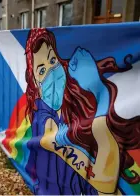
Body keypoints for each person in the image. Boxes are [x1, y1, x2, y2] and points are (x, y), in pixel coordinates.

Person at [24, 28, 140, 195]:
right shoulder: (45, 122)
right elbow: (104, 182)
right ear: (35, 83)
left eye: (52, 60)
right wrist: (101, 95)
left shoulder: (71, 108)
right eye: (41, 70)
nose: (51, 71)